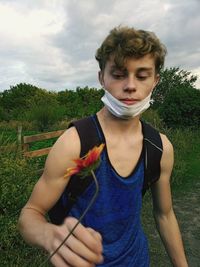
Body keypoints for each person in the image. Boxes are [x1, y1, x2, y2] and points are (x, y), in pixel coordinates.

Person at [18, 26, 188, 267]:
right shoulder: (74, 142)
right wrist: (48, 234)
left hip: (137, 260)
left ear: (155, 81)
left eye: (142, 75)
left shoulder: (159, 148)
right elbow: (30, 213)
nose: (130, 86)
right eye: (118, 74)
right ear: (102, 78)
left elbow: (164, 214)